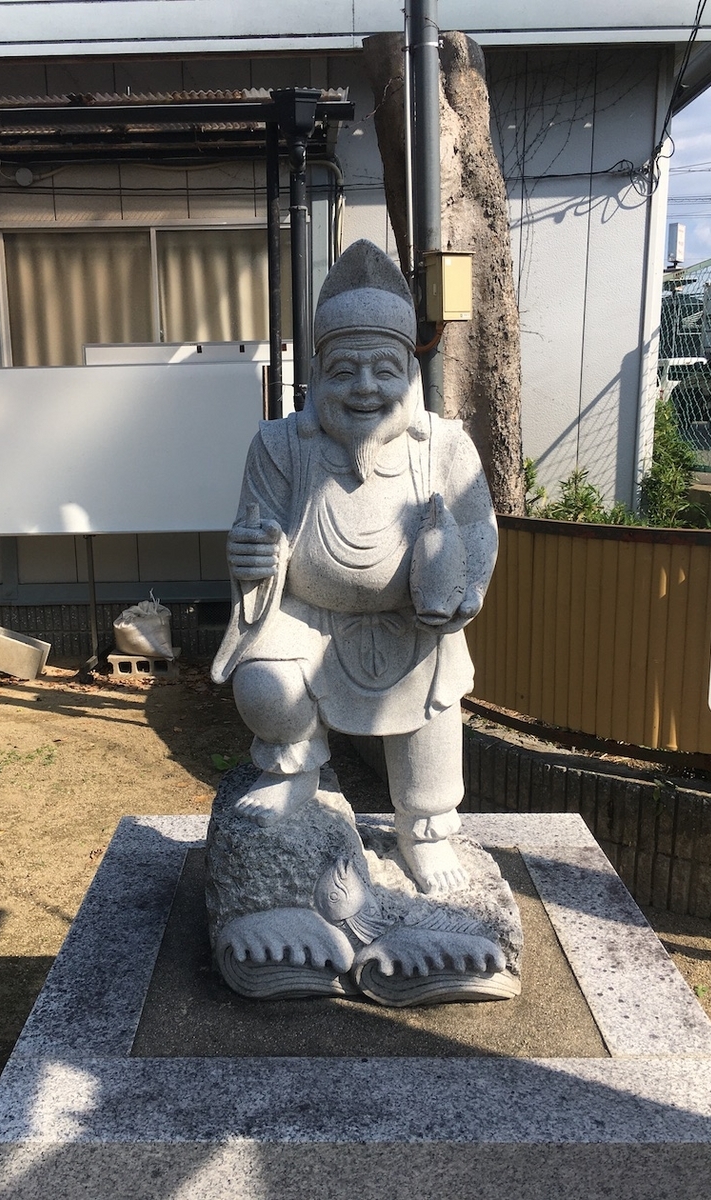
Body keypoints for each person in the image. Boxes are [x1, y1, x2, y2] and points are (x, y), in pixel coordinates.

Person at [212, 240, 497, 895]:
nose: (364, 387)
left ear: (410, 375)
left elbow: (480, 526)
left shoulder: (445, 448)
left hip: (413, 620)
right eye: (344, 370)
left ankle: (426, 828)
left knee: (435, 707)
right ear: (317, 378)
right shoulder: (279, 446)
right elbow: (256, 531)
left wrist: (466, 583)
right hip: (306, 614)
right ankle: (293, 773)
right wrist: (254, 559)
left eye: (382, 369)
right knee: (267, 685)